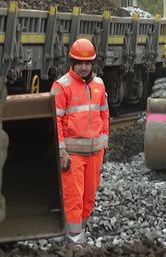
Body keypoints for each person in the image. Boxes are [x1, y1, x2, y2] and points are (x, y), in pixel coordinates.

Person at [51, 38, 109, 247]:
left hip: (95, 153)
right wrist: (61, 152)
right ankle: (74, 238)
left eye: (88, 63)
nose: (84, 67)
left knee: (89, 197)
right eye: (80, 63)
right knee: (74, 197)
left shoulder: (99, 84)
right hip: (73, 155)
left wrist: (104, 142)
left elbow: (104, 114)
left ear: (93, 63)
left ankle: (81, 230)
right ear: (72, 62)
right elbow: (54, 121)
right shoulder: (61, 86)